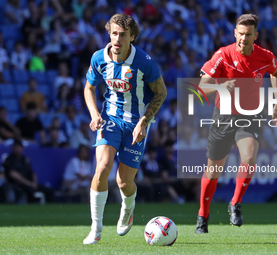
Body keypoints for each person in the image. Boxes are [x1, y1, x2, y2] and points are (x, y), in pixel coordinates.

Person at [83, 13, 167, 244]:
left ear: (133, 37)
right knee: (102, 167)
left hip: (136, 123)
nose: (117, 39)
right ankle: (96, 229)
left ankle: (128, 207)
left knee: (123, 183)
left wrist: (144, 121)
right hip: (109, 118)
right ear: (109, 34)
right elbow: (89, 88)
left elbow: (161, 92)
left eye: (123, 35)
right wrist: (94, 114)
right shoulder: (99, 58)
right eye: (114, 34)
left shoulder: (144, 62)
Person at [194, 14, 277, 233]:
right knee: (213, 171)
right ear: (235, 33)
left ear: (255, 36)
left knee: (250, 155)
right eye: (240, 33)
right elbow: (201, 86)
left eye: (248, 34)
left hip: (250, 115)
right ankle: (203, 214)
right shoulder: (223, 55)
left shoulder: (265, 56)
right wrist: (222, 87)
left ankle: (235, 203)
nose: (244, 38)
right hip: (223, 116)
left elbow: (275, 73)